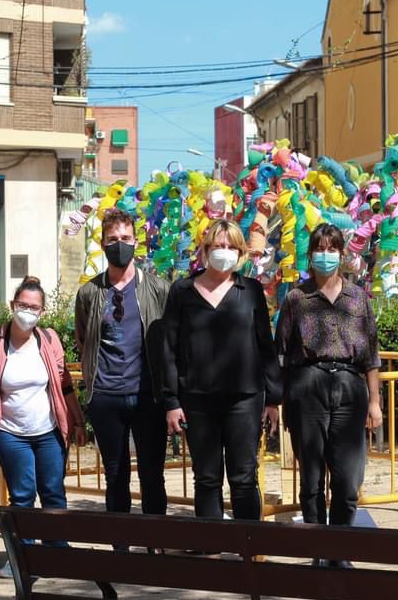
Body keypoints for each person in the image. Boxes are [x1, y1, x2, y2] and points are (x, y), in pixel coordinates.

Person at [275, 224, 382, 567]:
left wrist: (375, 402)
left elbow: (372, 354)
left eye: (332, 248)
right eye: (319, 249)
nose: (326, 255)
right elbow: (282, 354)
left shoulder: (358, 298)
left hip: (350, 386)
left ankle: (340, 547)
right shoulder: (296, 298)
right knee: (311, 476)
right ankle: (318, 548)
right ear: (310, 255)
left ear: (342, 253)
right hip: (307, 384)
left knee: (348, 477)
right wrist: (282, 402)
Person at [162, 219, 281, 521]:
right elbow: (169, 349)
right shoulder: (182, 291)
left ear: (240, 252)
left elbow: (265, 346)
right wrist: (171, 401)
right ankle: (211, 545)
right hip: (197, 400)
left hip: (244, 399)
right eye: (218, 245)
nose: (224, 251)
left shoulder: (250, 290)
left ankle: (248, 543)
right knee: (206, 478)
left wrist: (273, 399)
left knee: (244, 477)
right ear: (205, 249)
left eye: (231, 246)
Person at [0, 275, 86, 578]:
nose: (28, 311)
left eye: (34, 307)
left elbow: (64, 384)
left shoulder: (49, 340)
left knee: (53, 493)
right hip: (11, 432)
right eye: (23, 305)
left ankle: (57, 552)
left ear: (42, 311)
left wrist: (78, 420)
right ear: (12, 305)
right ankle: (22, 557)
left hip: (49, 431)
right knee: (22, 496)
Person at [74, 208, 170, 524]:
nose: (120, 244)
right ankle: (121, 544)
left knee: (152, 474)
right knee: (115, 476)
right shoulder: (89, 293)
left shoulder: (158, 288)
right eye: (113, 239)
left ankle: (156, 543)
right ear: (103, 243)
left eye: (126, 238)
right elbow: (84, 340)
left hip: (148, 396)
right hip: (106, 396)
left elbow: (169, 340)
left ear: (136, 242)